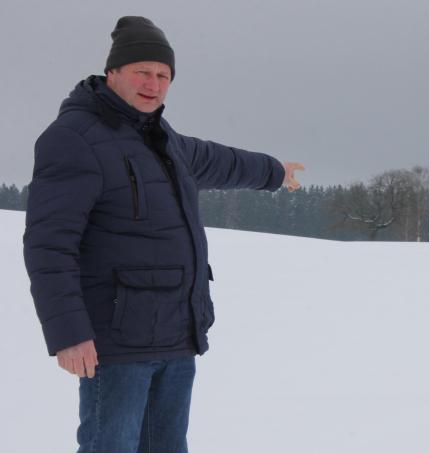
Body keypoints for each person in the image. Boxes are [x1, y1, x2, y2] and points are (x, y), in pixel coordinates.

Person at [22, 16, 304, 453]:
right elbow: (49, 244)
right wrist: (68, 333)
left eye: (164, 75)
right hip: (116, 343)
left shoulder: (161, 138)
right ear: (113, 72)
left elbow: (220, 161)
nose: (154, 84)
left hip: (175, 333)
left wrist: (274, 171)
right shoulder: (73, 139)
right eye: (143, 72)